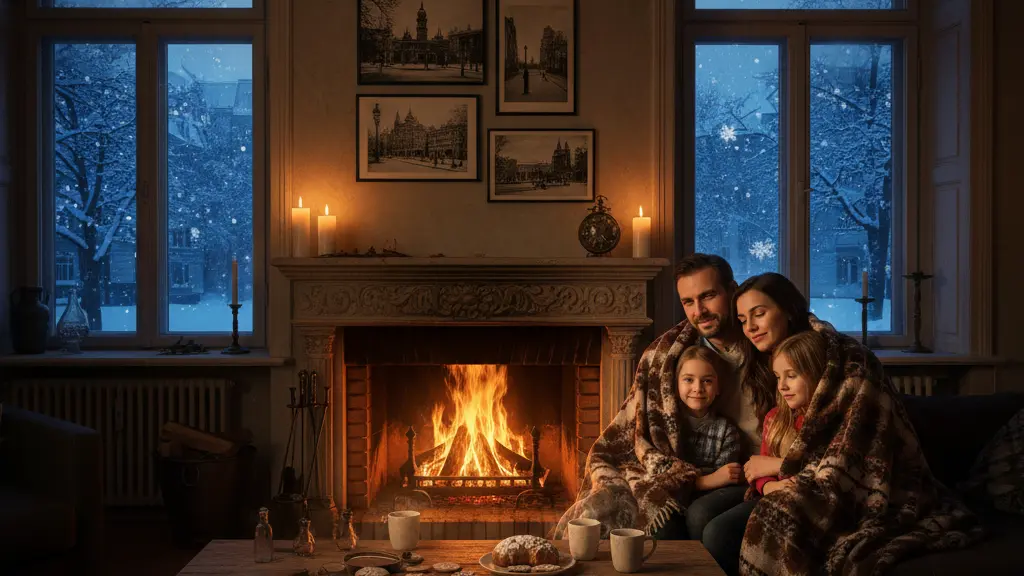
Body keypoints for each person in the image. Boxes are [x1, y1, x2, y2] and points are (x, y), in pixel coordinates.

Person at [551, 254, 768, 550]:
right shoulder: (666, 358)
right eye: (688, 302)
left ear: (732, 290)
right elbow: (636, 432)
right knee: (662, 517)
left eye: (708, 296)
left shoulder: (765, 346)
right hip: (691, 469)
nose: (699, 310)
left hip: (753, 469)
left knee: (703, 518)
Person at [665, 346, 745, 541]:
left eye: (707, 381)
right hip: (673, 495)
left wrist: (699, 483)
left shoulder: (726, 431)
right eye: (688, 380)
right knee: (665, 525)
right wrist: (703, 481)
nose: (698, 388)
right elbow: (663, 470)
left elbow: (725, 477)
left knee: (699, 515)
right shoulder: (667, 425)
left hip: (707, 498)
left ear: (718, 388)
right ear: (676, 385)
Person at [749, 331, 828, 497]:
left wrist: (780, 465)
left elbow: (831, 470)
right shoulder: (775, 418)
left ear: (817, 375)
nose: (781, 386)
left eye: (791, 376)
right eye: (778, 377)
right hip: (773, 494)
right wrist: (769, 486)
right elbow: (758, 468)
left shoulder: (830, 420)